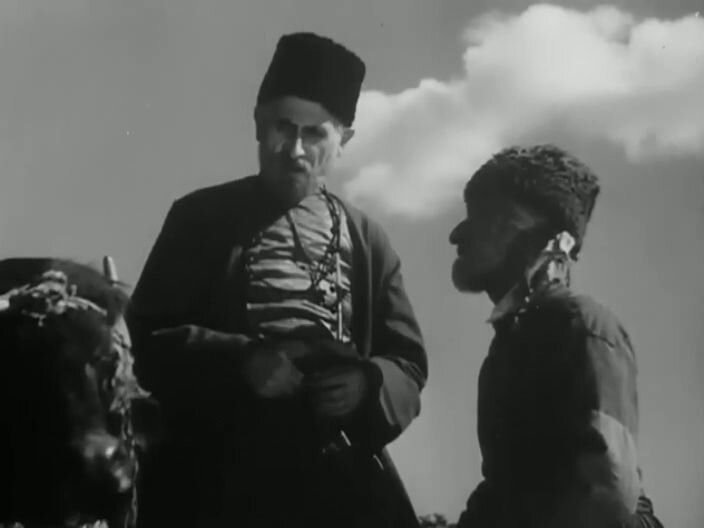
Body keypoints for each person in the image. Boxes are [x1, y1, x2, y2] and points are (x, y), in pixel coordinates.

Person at [126, 32, 427, 528]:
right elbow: (143, 339)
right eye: (283, 127)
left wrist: (367, 383)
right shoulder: (199, 217)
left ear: (344, 141)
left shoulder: (368, 239)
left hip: (333, 473)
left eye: (316, 134)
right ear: (258, 125)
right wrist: (241, 361)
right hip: (213, 473)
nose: (296, 150)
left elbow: (408, 363)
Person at [449, 145, 664, 527]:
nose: (458, 235)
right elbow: (505, 492)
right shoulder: (509, 346)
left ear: (552, 241)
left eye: (490, 217)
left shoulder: (581, 328)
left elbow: (608, 495)